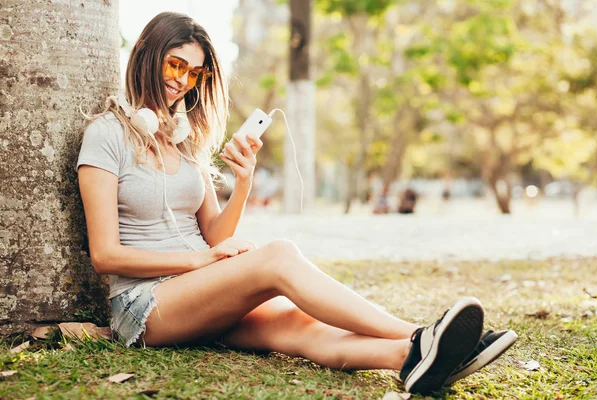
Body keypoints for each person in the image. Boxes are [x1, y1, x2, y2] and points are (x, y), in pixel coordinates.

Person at [76, 12, 517, 395]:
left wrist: (243, 182)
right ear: (147, 55)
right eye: (176, 64)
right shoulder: (106, 135)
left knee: (297, 326)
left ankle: (413, 359)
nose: (182, 80)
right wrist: (202, 261)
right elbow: (105, 255)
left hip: (201, 290)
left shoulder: (183, 138)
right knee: (279, 255)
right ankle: (423, 335)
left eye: (195, 73)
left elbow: (214, 234)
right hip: (144, 306)